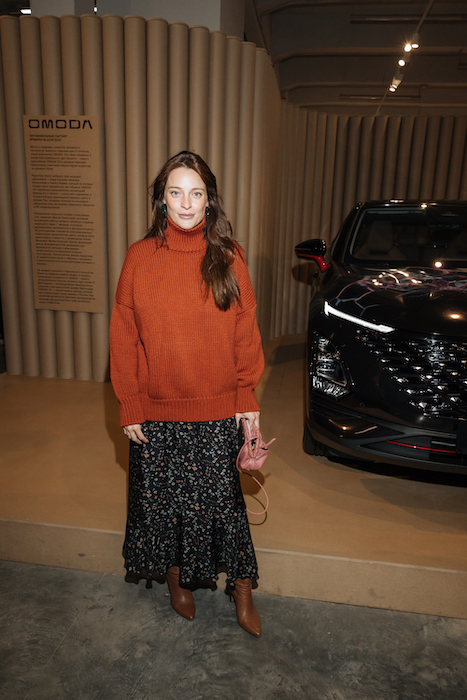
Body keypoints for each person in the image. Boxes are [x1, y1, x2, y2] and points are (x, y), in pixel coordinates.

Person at [109, 151, 265, 637]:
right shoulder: (139, 257)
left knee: (225, 508)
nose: (185, 203)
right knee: (166, 505)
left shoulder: (230, 256)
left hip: (217, 409)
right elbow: (123, 336)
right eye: (175, 192)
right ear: (161, 199)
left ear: (209, 201)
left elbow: (245, 331)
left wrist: (247, 397)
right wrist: (130, 403)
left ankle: (242, 588)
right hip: (157, 412)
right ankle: (176, 581)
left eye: (196, 193)